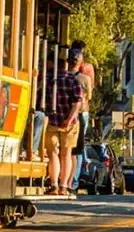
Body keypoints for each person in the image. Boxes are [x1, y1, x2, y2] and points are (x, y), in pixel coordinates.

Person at [45, 51, 83, 196]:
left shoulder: (49, 80)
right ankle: (64, 186)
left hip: (52, 121)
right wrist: (69, 118)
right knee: (66, 154)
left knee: (53, 153)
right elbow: (77, 103)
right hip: (70, 123)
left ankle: (54, 185)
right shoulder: (73, 80)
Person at [67, 49, 94, 193]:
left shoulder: (61, 77)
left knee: (63, 150)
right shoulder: (85, 79)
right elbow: (88, 96)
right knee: (76, 151)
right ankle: (73, 182)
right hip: (80, 113)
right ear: (80, 62)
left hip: (62, 113)